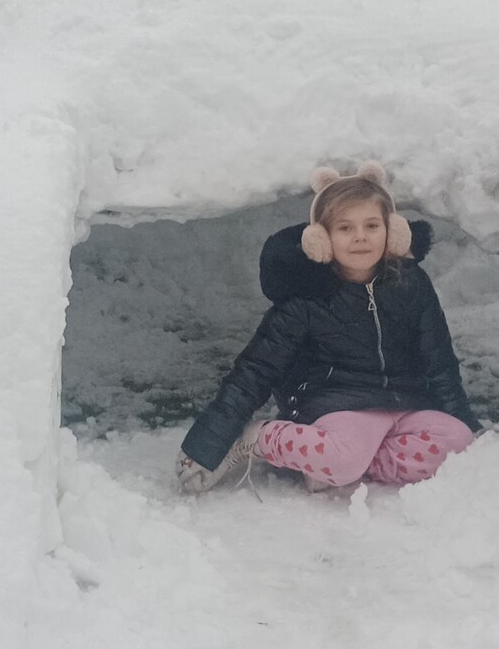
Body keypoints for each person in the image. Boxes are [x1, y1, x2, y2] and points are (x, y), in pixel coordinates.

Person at [176, 165, 480, 495]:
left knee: (458, 442)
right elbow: (255, 371)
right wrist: (206, 446)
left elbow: (439, 360)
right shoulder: (307, 295)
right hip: (335, 406)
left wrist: (465, 421)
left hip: (402, 404)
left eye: (372, 226)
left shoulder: (411, 283)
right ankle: (260, 438)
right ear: (321, 239)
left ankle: (335, 465)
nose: (361, 237)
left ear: (392, 231)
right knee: (343, 457)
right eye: (345, 228)